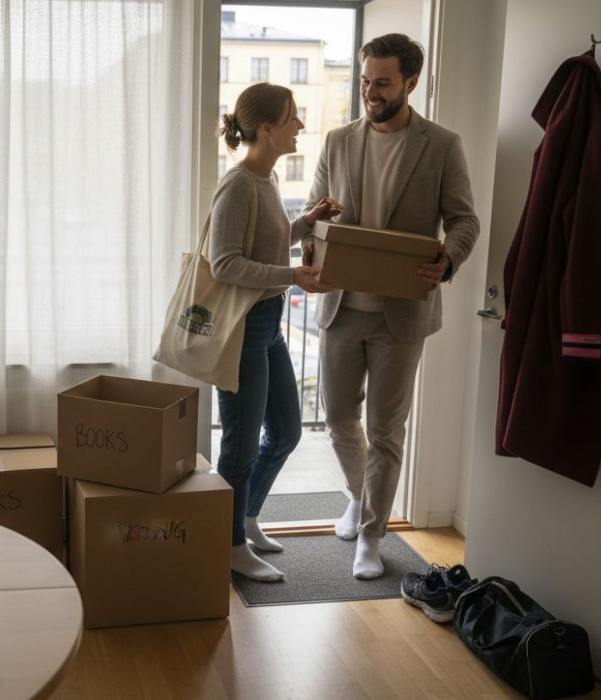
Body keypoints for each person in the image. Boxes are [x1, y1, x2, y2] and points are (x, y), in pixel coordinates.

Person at [301, 34, 479, 580]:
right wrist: (314, 228)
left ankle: (372, 537)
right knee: (336, 418)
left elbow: (464, 221)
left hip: (402, 312)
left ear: (410, 82)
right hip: (341, 305)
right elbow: (312, 213)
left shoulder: (441, 145)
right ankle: (360, 497)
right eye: (364, 80)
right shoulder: (337, 140)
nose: (369, 92)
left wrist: (448, 259)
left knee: (386, 429)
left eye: (381, 82)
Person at [212, 82, 339, 582]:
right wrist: (294, 276)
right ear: (266, 128)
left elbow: (266, 242)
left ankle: (244, 520)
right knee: (240, 446)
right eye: (292, 118)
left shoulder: (264, 181)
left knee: (285, 432)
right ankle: (227, 544)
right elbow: (224, 264)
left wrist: (306, 222)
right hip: (243, 329)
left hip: (268, 326)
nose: (300, 127)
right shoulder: (239, 182)